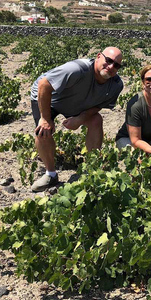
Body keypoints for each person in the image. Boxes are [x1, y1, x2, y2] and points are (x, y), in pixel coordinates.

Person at [30, 47, 124, 192]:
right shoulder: (77, 69)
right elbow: (44, 84)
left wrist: (80, 118)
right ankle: (50, 174)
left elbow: (99, 105)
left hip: (79, 102)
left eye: (116, 65)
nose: (111, 67)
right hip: (50, 96)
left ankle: (91, 170)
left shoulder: (116, 85)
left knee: (96, 120)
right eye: (109, 61)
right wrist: (45, 118)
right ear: (99, 56)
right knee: (43, 130)